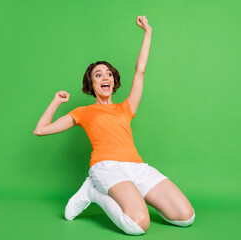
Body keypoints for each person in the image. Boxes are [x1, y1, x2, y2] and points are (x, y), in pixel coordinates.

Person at [33, 15, 195, 235]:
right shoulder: (83, 112)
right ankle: (94, 192)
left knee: (186, 217)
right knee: (137, 225)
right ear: (91, 84)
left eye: (108, 74)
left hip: (137, 168)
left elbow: (140, 71)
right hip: (106, 167)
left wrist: (148, 32)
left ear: (114, 80)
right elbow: (40, 130)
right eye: (98, 75)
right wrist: (56, 101)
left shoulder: (126, 108)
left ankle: (133, 192)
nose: (104, 77)